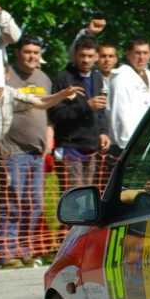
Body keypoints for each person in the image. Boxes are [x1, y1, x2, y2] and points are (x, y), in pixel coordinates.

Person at [0, 67, 82, 271]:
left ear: (6, 76)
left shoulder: (11, 93)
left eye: (1, 75)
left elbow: (40, 102)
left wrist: (62, 95)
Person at [0, 36, 53, 267]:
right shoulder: (6, 75)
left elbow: (48, 114)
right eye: (27, 52)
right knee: (13, 202)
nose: (32, 56)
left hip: (37, 153)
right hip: (13, 150)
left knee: (35, 204)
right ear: (18, 53)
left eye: (36, 52)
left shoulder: (44, 78)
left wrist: (48, 138)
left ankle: (26, 249)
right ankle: (6, 251)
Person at [49, 37, 110, 189]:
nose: (86, 60)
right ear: (75, 55)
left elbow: (100, 110)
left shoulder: (97, 77)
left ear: (96, 57)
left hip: (92, 146)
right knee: (74, 194)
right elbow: (56, 114)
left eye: (90, 56)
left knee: (89, 194)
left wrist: (103, 132)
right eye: (82, 56)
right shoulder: (63, 78)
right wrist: (86, 106)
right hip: (70, 147)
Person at [108, 37, 150, 152]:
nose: (141, 57)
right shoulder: (121, 77)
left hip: (149, 141)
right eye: (137, 53)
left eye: (145, 53)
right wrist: (128, 145)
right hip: (127, 145)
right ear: (128, 54)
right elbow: (120, 114)